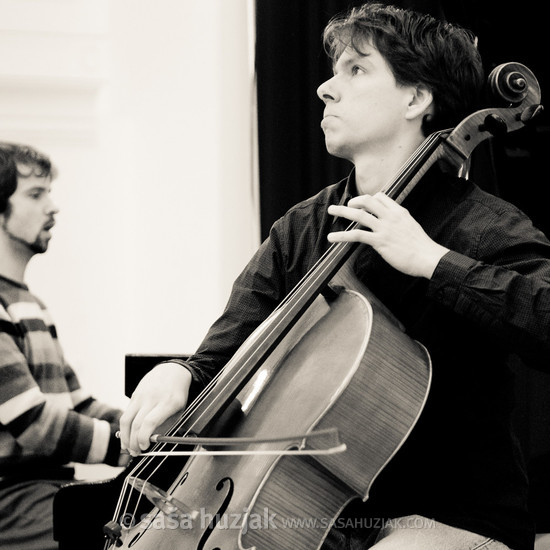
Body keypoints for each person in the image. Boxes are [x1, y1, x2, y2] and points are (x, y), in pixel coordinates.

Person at [119, 3, 548, 549]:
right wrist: (180, 373)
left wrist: (432, 261)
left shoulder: (482, 225)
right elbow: (224, 351)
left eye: (357, 69)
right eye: (333, 70)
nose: (326, 88)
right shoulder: (303, 227)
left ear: (417, 98)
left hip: (451, 518)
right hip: (320, 515)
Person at [0, 142, 125, 550]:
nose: (52, 207)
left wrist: (158, 431)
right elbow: (32, 423)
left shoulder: (33, 306)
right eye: (35, 195)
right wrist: (130, 447)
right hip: (12, 499)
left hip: (48, 489)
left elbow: (78, 404)